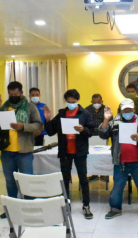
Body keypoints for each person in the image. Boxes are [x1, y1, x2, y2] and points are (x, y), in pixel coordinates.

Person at [0, 81, 42, 219]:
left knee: (26, 181)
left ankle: (30, 208)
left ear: (21, 93)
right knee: (10, 181)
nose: (13, 96)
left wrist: (23, 126)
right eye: (11, 94)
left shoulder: (30, 107)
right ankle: (12, 209)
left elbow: (37, 125)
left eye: (16, 94)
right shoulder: (4, 107)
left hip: (24, 151)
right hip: (6, 151)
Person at [44, 89, 95, 219]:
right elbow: (50, 132)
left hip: (80, 151)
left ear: (78, 101)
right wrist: (47, 119)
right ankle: (66, 205)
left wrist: (83, 129)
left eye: (74, 102)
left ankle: (86, 206)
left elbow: (91, 132)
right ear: (65, 101)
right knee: (65, 179)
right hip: (65, 151)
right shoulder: (61, 114)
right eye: (69, 102)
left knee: (83, 179)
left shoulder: (84, 113)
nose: (71, 104)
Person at [99, 98, 138, 221]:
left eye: (129, 109)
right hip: (120, 161)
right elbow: (102, 134)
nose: (127, 112)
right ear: (121, 111)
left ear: (134, 109)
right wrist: (106, 119)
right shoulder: (114, 122)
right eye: (125, 110)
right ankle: (115, 209)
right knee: (117, 187)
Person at [85, 94, 111, 181]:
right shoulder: (87, 110)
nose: (96, 104)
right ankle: (94, 173)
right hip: (90, 136)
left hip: (102, 136)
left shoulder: (106, 110)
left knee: (102, 156)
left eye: (98, 102)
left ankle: (104, 173)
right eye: (94, 102)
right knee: (91, 156)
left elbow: (111, 123)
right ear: (91, 102)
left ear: (102, 102)